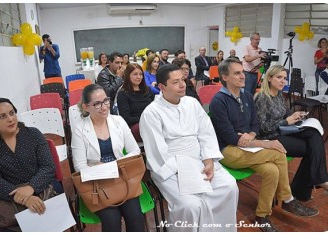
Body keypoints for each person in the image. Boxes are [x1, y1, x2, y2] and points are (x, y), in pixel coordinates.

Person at [209, 58, 318, 232]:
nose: (242, 76)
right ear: (224, 77)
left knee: (272, 171)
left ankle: (262, 215)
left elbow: (255, 124)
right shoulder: (219, 101)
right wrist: (262, 143)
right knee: (277, 152)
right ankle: (288, 199)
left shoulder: (245, 95)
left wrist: (251, 135)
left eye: (242, 71)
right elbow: (229, 137)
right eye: (237, 73)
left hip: (247, 145)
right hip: (228, 151)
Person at [139, 64, 239, 232]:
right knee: (190, 205)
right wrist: (187, 171)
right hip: (171, 167)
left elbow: (206, 134)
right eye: (175, 82)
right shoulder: (151, 113)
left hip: (200, 160)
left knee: (229, 187)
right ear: (162, 87)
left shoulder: (192, 103)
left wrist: (208, 161)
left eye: (183, 80)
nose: (182, 85)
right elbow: (158, 152)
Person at [71, 84, 144, 232]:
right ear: (86, 107)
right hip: (97, 184)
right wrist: (104, 170)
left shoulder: (118, 121)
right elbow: (80, 167)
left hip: (122, 179)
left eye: (106, 101)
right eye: (97, 104)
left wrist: (109, 166)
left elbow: (135, 151)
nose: (104, 107)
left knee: (135, 216)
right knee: (111, 220)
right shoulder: (80, 129)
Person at [0, 98, 61, 230]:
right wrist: (25, 199)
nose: (10, 119)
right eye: (2, 116)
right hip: (11, 198)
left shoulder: (33, 134)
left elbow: (48, 167)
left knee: (48, 224)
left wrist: (31, 187)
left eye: (12, 113)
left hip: (43, 188)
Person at [254, 64, 328, 201]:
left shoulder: (278, 96)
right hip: (271, 137)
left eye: (285, 78)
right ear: (269, 78)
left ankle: (320, 179)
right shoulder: (262, 97)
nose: (283, 81)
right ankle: (308, 186)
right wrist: (286, 122)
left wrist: (296, 115)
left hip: (285, 130)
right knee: (311, 149)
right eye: (279, 77)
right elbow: (262, 128)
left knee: (314, 134)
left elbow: (286, 113)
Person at [117, 63, 154, 142]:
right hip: (135, 126)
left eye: (141, 74)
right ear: (128, 76)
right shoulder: (123, 94)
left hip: (151, 123)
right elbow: (126, 118)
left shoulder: (148, 90)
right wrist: (144, 119)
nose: (139, 77)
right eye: (135, 74)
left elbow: (154, 109)